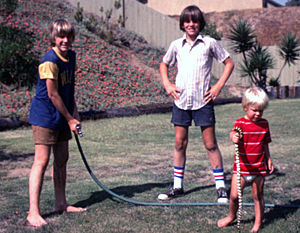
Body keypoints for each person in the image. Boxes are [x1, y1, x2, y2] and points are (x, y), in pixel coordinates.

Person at [158, 5, 234, 203]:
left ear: (201, 23)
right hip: (181, 101)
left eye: (195, 21)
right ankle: (177, 186)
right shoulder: (176, 45)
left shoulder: (209, 43)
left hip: (203, 101)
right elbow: (164, 64)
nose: (191, 25)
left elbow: (229, 63)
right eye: (187, 21)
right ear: (182, 24)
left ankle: (220, 188)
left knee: (210, 144)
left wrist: (217, 86)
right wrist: (167, 84)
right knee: (179, 143)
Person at [27, 19, 86, 227]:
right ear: (53, 37)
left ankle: (61, 203)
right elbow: (52, 94)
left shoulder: (72, 56)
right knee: (41, 161)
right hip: (45, 116)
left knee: (62, 159)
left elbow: (69, 89)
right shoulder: (49, 60)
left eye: (69, 36)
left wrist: (74, 115)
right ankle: (33, 212)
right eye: (61, 36)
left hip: (63, 115)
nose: (65, 40)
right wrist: (70, 119)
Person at [217, 87, 274, 233]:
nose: (257, 114)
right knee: (234, 196)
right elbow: (233, 133)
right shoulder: (240, 123)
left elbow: (265, 143)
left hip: (258, 167)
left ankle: (257, 223)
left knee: (257, 195)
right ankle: (231, 216)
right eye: (254, 110)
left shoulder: (264, 124)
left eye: (260, 111)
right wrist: (233, 137)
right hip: (241, 168)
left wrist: (268, 159)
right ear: (245, 107)